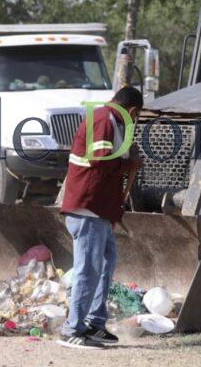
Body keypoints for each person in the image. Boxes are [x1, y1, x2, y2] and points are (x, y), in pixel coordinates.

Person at [56, 86, 144, 350]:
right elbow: (100, 161)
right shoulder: (103, 119)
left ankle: (94, 323)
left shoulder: (113, 123)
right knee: (88, 270)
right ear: (132, 111)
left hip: (100, 211)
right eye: (137, 116)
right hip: (88, 209)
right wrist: (130, 164)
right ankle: (72, 329)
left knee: (105, 264)